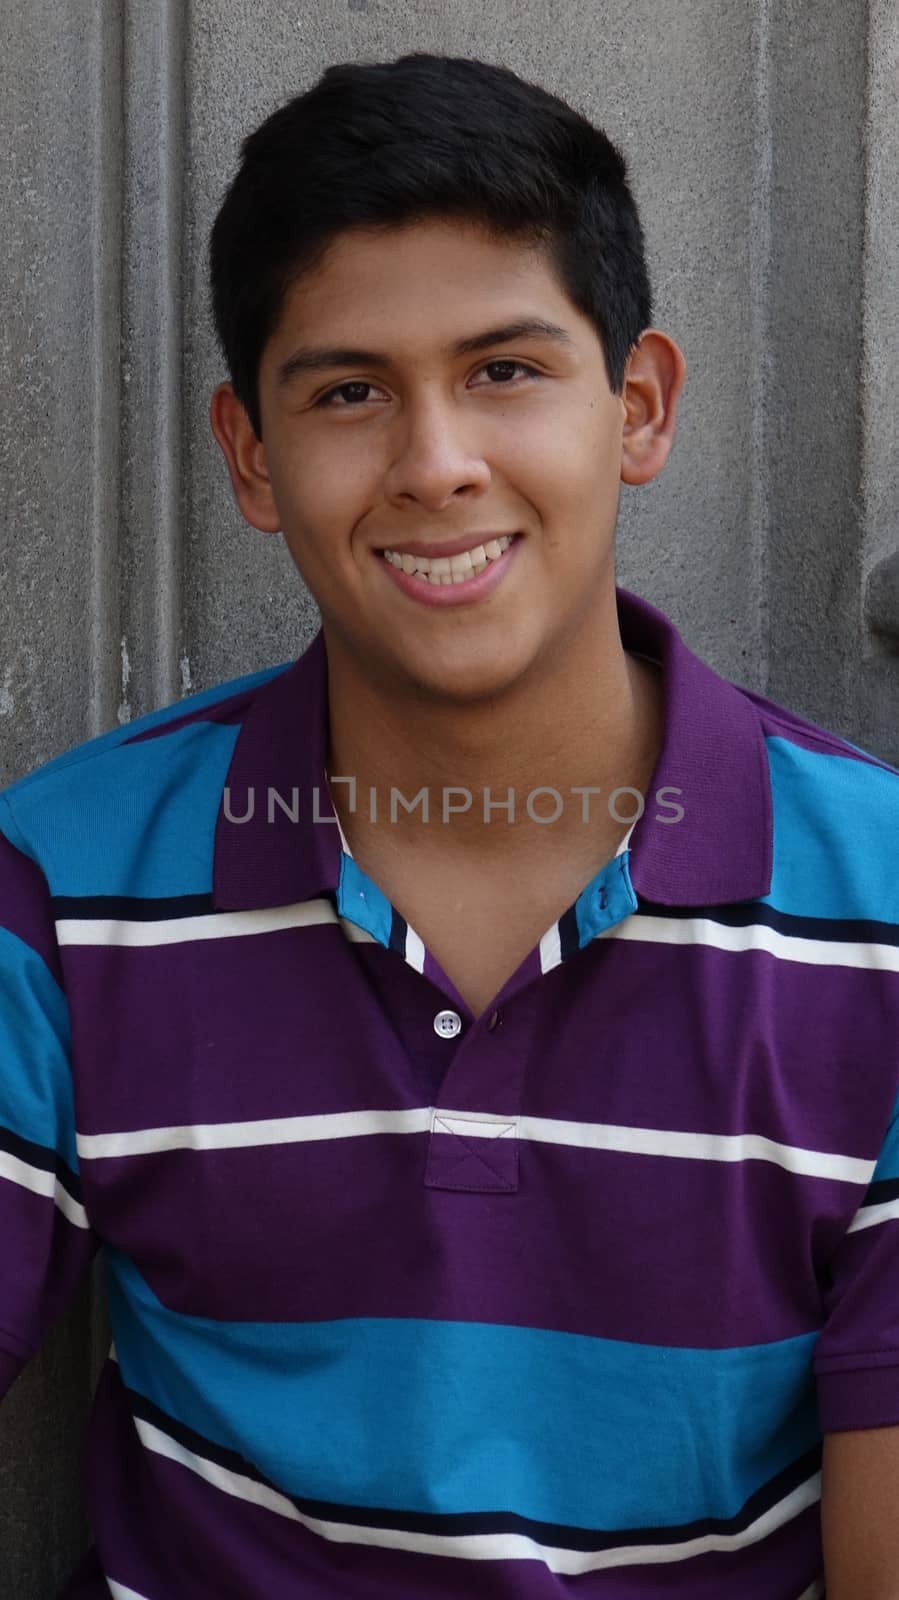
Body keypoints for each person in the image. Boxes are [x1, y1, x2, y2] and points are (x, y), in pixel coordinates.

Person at [1, 50, 897, 1600]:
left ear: (639, 406)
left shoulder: (881, 911)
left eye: (505, 371)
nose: (434, 465)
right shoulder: (68, 889)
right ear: (248, 455)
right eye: (349, 391)